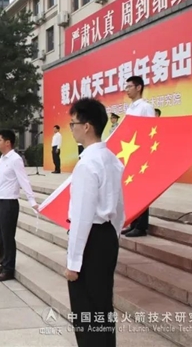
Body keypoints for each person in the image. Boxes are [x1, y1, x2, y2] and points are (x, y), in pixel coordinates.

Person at [64, 97, 124, 347]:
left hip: (91, 240)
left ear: (86, 126)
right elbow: (120, 208)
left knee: (86, 311)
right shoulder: (111, 159)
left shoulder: (87, 163)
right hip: (107, 236)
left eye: (73, 123)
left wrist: (73, 262)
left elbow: (81, 217)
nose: (72, 128)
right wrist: (115, 236)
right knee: (102, 307)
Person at [0, 130, 38, 282]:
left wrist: (32, 201)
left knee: (8, 237)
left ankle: (9, 269)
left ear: (7, 142)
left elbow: (24, 180)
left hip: (9, 203)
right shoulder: (2, 159)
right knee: (0, 236)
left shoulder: (15, 159)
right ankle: (3, 265)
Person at [122, 75, 155, 238]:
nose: (126, 90)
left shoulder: (145, 107)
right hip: (130, 152)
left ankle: (141, 226)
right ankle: (133, 222)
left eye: (129, 86)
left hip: (141, 153)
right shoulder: (130, 108)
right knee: (132, 188)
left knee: (141, 189)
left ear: (139, 87)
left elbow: (150, 131)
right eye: (126, 87)